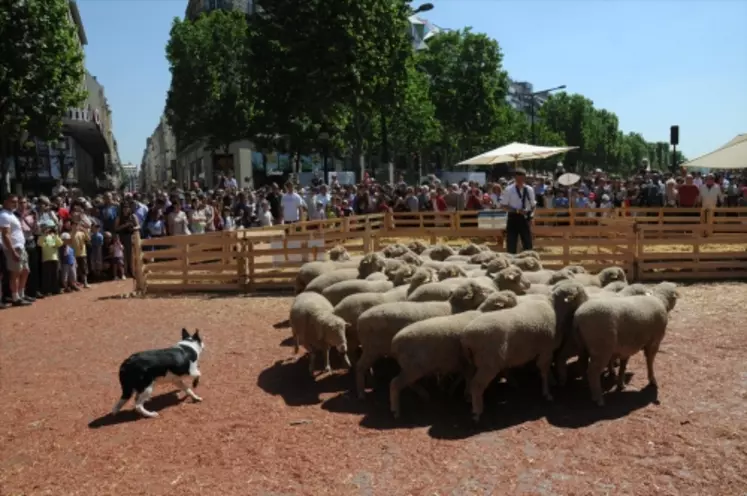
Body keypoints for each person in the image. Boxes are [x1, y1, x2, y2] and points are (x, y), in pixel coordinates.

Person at [0, 194, 32, 306]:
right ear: (5, 202)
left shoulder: (11, 214)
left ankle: (21, 294)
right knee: (15, 273)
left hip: (21, 246)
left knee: (25, 271)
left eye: (16, 202)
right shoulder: (4, 215)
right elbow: (5, 235)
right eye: (12, 201)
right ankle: (15, 297)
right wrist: (12, 251)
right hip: (14, 248)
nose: (15, 203)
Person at [500, 168, 536, 254]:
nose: (520, 180)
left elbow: (533, 205)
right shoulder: (509, 190)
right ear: (515, 178)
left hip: (525, 218)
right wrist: (517, 210)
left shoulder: (529, 189)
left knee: (528, 243)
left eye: (522, 178)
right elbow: (503, 206)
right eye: (518, 178)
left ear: (525, 178)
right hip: (513, 218)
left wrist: (531, 216)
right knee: (511, 244)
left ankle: (528, 263)